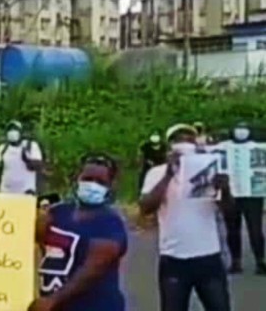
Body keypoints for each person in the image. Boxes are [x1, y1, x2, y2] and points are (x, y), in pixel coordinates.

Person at [139, 124, 233, 311]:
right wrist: (168, 174)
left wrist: (224, 188)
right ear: (170, 146)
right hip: (174, 257)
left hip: (208, 255)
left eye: (189, 139)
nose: (184, 143)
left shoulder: (210, 170)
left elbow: (229, 212)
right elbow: (146, 208)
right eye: (178, 140)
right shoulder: (156, 173)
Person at [29, 153, 127, 311]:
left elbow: (95, 267)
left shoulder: (110, 222)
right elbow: (44, 249)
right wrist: (40, 224)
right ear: (77, 178)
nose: (92, 185)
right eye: (88, 179)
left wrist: (53, 300)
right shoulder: (58, 212)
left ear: (109, 187)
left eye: (100, 182)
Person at [223, 122, 266, 275]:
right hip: (230, 195)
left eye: (244, 129)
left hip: (252, 196)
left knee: (255, 230)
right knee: (232, 230)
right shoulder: (223, 147)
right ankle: (236, 261)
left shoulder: (259, 147)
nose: (241, 132)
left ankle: (260, 261)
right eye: (238, 129)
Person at [0, 120, 44, 195]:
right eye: (10, 130)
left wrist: (26, 160)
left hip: (26, 190)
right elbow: (0, 168)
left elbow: (38, 165)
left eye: (15, 129)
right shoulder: (2, 148)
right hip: (6, 191)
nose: (12, 132)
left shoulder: (30, 146)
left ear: (21, 132)